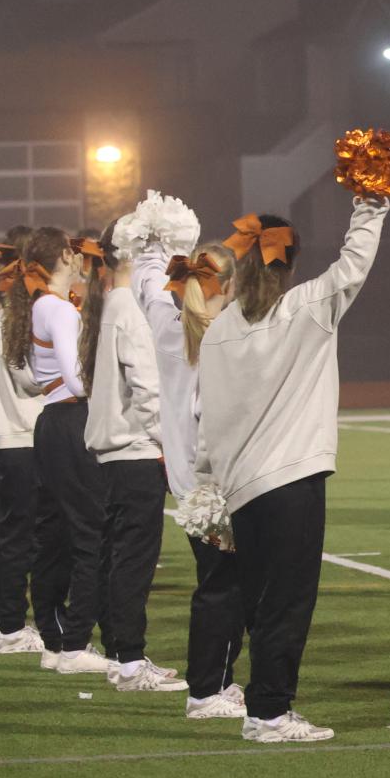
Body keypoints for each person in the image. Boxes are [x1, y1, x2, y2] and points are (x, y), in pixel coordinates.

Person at [197, 195, 388, 743]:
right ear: (289, 262)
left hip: (239, 490)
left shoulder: (220, 331)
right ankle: (270, 713)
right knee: (287, 602)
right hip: (290, 480)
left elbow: (209, 419)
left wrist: (209, 480)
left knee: (259, 601)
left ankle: (263, 705)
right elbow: (354, 264)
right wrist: (370, 207)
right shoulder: (303, 308)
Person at [142, 241, 247, 717]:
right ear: (226, 285)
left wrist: (151, 248)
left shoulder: (167, 326)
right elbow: (211, 412)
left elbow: (147, 285)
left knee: (216, 583)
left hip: (184, 478)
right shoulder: (220, 337)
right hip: (216, 481)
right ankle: (207, 688)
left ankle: (216, 682)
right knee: (226, 588)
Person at [84, 220, 188, 692]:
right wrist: (170, 446)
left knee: (114, 556)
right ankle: (129, 659)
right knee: (133, 560)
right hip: (135, 452)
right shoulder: (131, 306)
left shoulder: (111, 301)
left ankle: (119, 653)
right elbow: (147, 388)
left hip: (114, 453)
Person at [6, 229, 111, 674]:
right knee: (90, 534)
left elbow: (34, 378)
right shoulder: (59, 308)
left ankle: (54, 640)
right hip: (71, 420)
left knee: (53, 536)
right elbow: (75, 380)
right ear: (65, 255)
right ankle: (75, 643)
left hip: (49, 424)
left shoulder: (37, 306)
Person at [0, 230, 48, 654]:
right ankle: (12, 626)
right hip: (21, 434)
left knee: (8, 533)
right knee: (21, 537)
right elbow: (27, 377)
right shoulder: (10, 312)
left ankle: (9, 621)